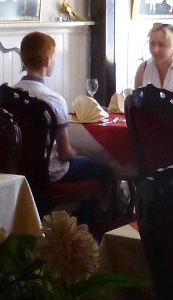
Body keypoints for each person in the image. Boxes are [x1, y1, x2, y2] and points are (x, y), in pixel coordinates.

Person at [14, 31, 115, 200]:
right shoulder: (53, 100)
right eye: (53, 57)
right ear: (47, 60)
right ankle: (88, 216)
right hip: (50, 172)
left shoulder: (7, 96)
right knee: (106, 170)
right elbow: (64, 153)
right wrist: (81, 152)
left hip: (17, 171)